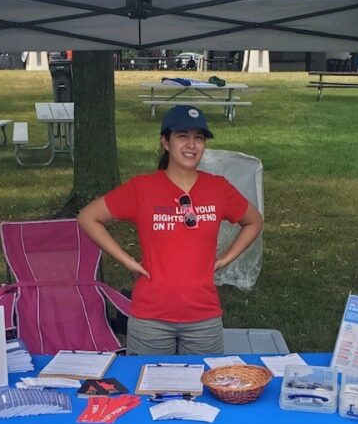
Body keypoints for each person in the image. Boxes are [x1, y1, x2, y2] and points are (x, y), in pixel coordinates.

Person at [77, 104, 263, 355]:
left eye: (199, 138)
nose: (191, 145)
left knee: (201, 388)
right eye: (182, 136)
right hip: (150, 317)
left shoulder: (218, 188)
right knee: (148, 387)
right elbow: (88, 217)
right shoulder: (142, 188)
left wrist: (225, 259)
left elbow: (254, 221)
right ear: (165, 141)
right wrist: (128, 261)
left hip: (203, 316)